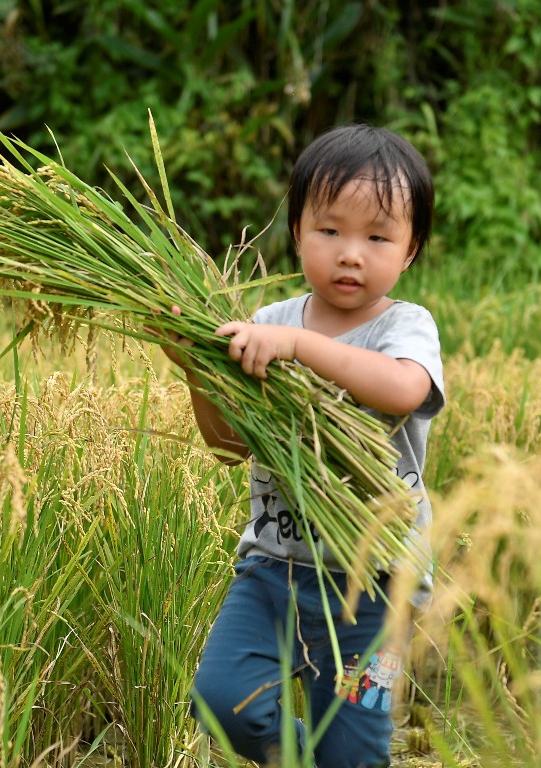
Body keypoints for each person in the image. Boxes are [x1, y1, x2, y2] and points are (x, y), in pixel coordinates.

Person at [161, 124, 445, 768]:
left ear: (410, 251)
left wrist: (300, 350)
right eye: (330, 231)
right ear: (296, 233)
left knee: (353, 749)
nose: (351, 253)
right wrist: (197, 372)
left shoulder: (405, 326)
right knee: (223, 700)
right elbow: (231, 446)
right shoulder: (268, 324)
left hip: (376, 590)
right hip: (273, 569)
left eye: (377, 237)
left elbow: (403, 390)